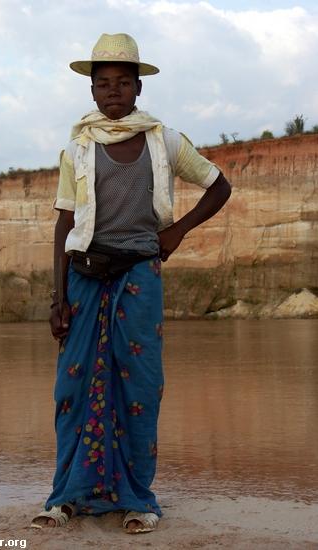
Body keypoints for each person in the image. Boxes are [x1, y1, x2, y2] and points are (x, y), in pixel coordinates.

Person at [31, 33, 231, 534]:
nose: (112, 91)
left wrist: (177, 231)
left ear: (138, 90)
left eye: (123, 83)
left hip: (140, 274)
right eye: (103, 84)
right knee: (73, 388)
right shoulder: (77, 147)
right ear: (92, 92)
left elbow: (219, 184)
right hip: (83, 276)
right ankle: (66, 497)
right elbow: (63, 225)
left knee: (139, 385)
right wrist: (57, 299)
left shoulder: (163, 140)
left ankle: (139, 499)